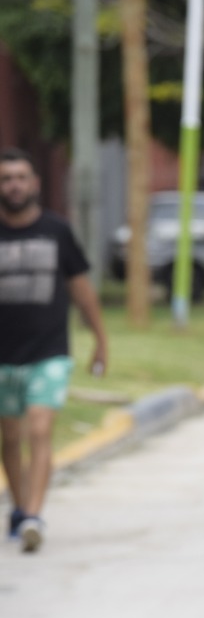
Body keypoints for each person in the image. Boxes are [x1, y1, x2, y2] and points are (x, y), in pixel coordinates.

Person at [0, 148, 108, 553]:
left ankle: (33, 515)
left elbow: (82, 290)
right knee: (10, 438)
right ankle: (20, 506)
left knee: (40, 429)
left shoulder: (56, 231)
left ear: (35, 183)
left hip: (49, 351)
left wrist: (100, 339)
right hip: (4, 356)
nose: (13, 185)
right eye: (6, 178)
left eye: (20, 177)